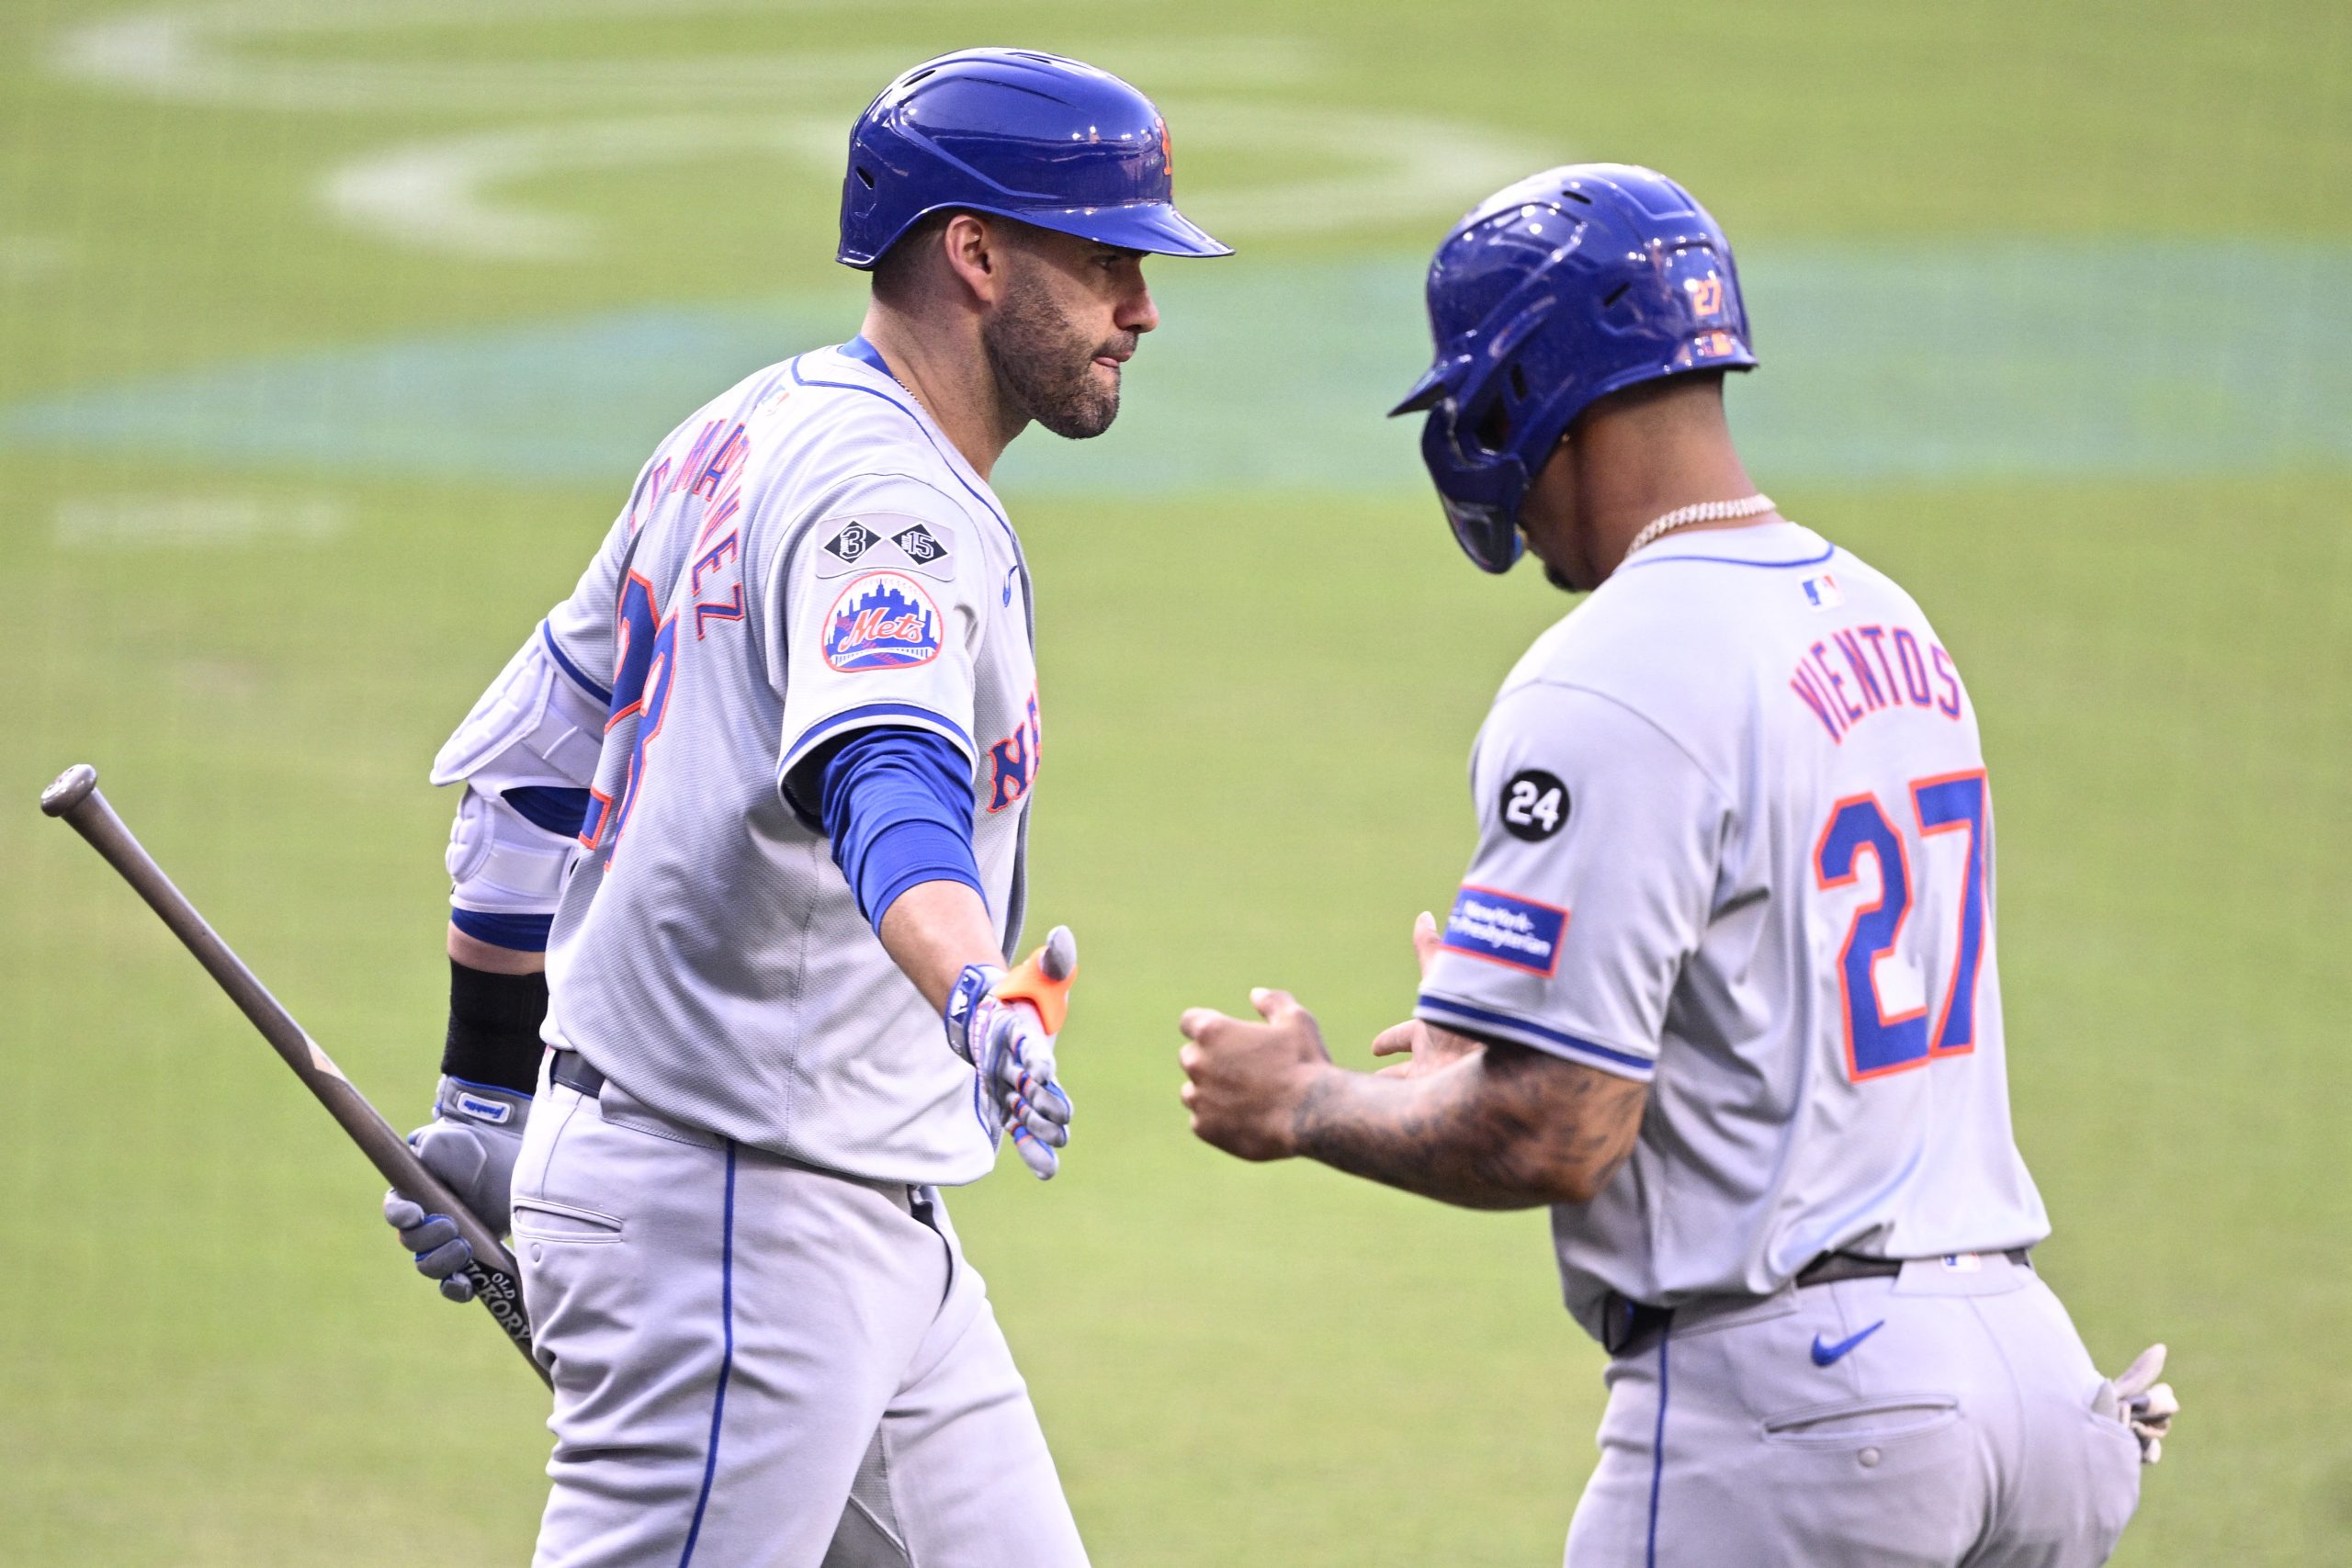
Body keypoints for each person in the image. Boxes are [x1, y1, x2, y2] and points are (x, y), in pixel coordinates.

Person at [1174, 164, 2176, 1567]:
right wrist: (1505, 1041)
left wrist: (1309, 1103)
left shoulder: (1610, 675)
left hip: (1804, 1428)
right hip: (2028, 1385)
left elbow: (1561, 1130)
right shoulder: (1887, 622)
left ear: (1535, 391)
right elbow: (1770, 1016)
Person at [379, 49, 1228, 1568]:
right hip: (737, 1222)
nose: (1143, 307)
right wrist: (975, 987)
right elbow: (883, 774)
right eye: (1108, 260)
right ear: (975, 254)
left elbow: (530, 770)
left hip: (835, 1210)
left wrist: (491, 1095)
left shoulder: (736, 432)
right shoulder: (884, 504)